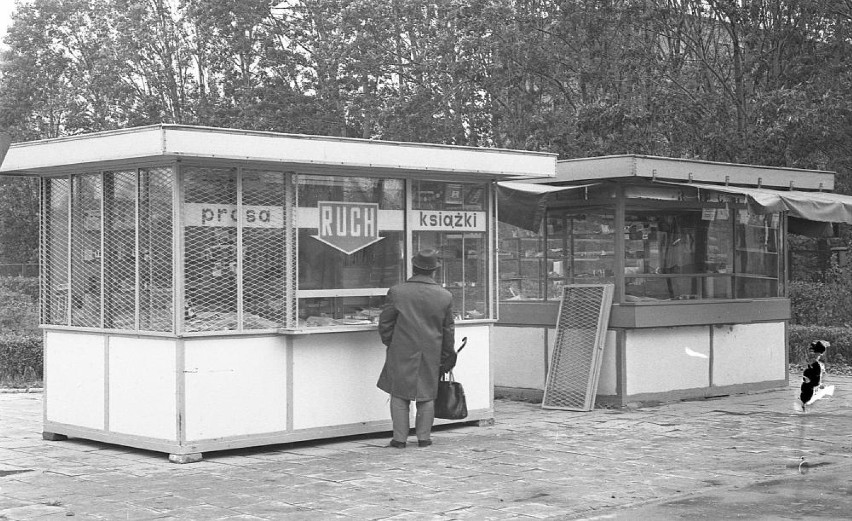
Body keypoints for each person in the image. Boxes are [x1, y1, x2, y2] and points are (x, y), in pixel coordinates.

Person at [377, 249, 456, 448]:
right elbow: (448, 330)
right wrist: (447, 354)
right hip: (431, 350)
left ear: (413, 267)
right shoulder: (445, 296)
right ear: (435, 271)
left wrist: (392, 343)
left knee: (398, 393)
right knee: (427, 394)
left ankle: (399, 439)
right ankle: (424, 438)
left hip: (401, 349)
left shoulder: (397, 291)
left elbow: (385, 323)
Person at [796, 339, 834, 413]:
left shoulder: (815, 358)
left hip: (812, 372)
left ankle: (804, 407)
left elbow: (810, 365)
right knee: (812, 385)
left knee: (811, 386)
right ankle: (804, 407)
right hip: (812, 373)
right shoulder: (816, 357)